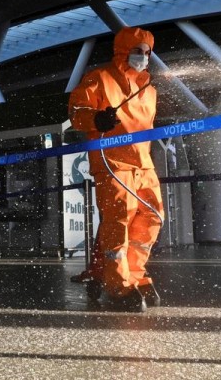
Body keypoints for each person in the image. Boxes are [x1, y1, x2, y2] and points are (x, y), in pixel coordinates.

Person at [68, 26, 163, 310]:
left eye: (147, 52)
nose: (143, 57)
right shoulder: (99, 78)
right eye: (138, 51)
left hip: (143, 163)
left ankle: (134, 274)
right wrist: (97, 120)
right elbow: (76, 111)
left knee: (152, 218)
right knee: (119, 221)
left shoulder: (150, 90)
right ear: (123, 51)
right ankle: (118, 285)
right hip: (112, 161)